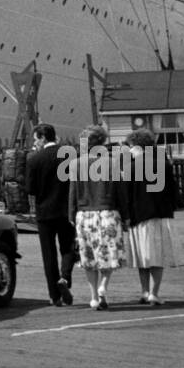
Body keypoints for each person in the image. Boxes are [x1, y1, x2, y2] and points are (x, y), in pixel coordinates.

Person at [68, 123, 129, 310]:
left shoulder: (75, 164)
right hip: (108, 212)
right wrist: (126, 216)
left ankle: (93, 296)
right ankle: (103, 287)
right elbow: (121, 192)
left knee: (88, 258)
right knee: (109, 255)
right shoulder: (112, 163)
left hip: (85, 214)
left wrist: (71, 214)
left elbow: (73, 192)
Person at [124, 128, 184, 304]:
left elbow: (126, 195)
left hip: (138, 217)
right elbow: (174, 193)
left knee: (142, 257)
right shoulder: (163, 165)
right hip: (160, 214)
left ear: (136, 146)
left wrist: (126, 216)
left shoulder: (130, 168)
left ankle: (144, 291)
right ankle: (154, 293)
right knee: (157, 257)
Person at [26, 123, 74, 306]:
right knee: (68, 247)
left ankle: (54, 295)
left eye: (36, 138)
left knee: (49, 253)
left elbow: (30, 189)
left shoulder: (34, 159)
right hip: (65, 209)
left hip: (44, 211)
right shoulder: (68, 155)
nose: (35, 142)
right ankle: (65, 278)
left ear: (43, 138)